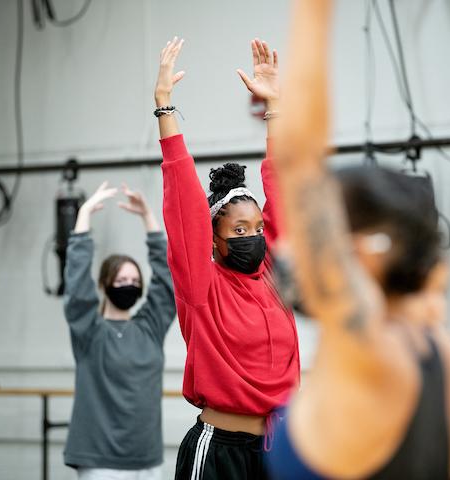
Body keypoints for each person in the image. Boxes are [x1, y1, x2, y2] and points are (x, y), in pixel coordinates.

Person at [266, 0, 450, 479]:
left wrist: (314, 10)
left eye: (310, 234)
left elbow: (299, 163)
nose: (286, 246)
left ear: (358, 254)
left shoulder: (364, 350)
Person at [154, 37, 300, 479]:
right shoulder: (204, 288)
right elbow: (183, 205)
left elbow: (284, 196)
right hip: (220, 452)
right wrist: (165, 108)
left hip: (278, 448)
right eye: (238, 231)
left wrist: (274, 109)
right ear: (214, 240)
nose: (252, 237)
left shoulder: (274, 278)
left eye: (256, 229)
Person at [63, 181, 176, 480]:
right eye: (121, 279)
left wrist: (149, 220)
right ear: (103, 285)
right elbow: (77, 290)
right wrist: (83, 218)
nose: (129, 285)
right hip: (101, 462)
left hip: (148, 459)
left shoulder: (149, 328)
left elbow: (166, 283)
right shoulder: (89, 332)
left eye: (134, 280)